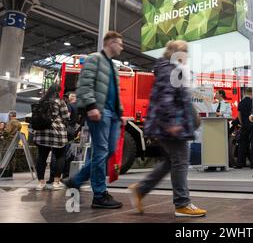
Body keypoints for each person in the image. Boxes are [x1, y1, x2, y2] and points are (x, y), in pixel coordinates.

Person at [128, 40, 206, 217]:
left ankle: (140, 189)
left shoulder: (168, 69)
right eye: (185, 53)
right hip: (170, 125)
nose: (187, 57)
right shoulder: (170, 70)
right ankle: (182, 204)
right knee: (180, 162)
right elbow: (166, 98)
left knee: (170, 162)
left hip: (166, 124)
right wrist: (172, 122)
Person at [64, 31, 126, 209]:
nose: (121, 47)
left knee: (110, 150)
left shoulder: (113, 66)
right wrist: (91, 106)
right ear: (111, 42)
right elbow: (85, 84)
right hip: (99, 111)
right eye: (120, 44)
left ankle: (76, 180)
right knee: (101, 151)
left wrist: (120, 113)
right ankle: (99, 194)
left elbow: (115, 92)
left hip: (113, 114)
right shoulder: (94, 59)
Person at [33, 84, 70, 191]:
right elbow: (66, 116)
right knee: (60, 156)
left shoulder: (41, 101)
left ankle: (40, 183)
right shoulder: (59, 101)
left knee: (42, 157)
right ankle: (56, 182)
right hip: (56, 133)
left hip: (41, 133)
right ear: (58, 91)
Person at [236, 88, 253, 169]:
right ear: (251, 93)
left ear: (246, 93)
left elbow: (239, 115)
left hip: (245, 126)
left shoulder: (241, 102)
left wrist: (242, 123)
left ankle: (240, 163)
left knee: (242, 144)